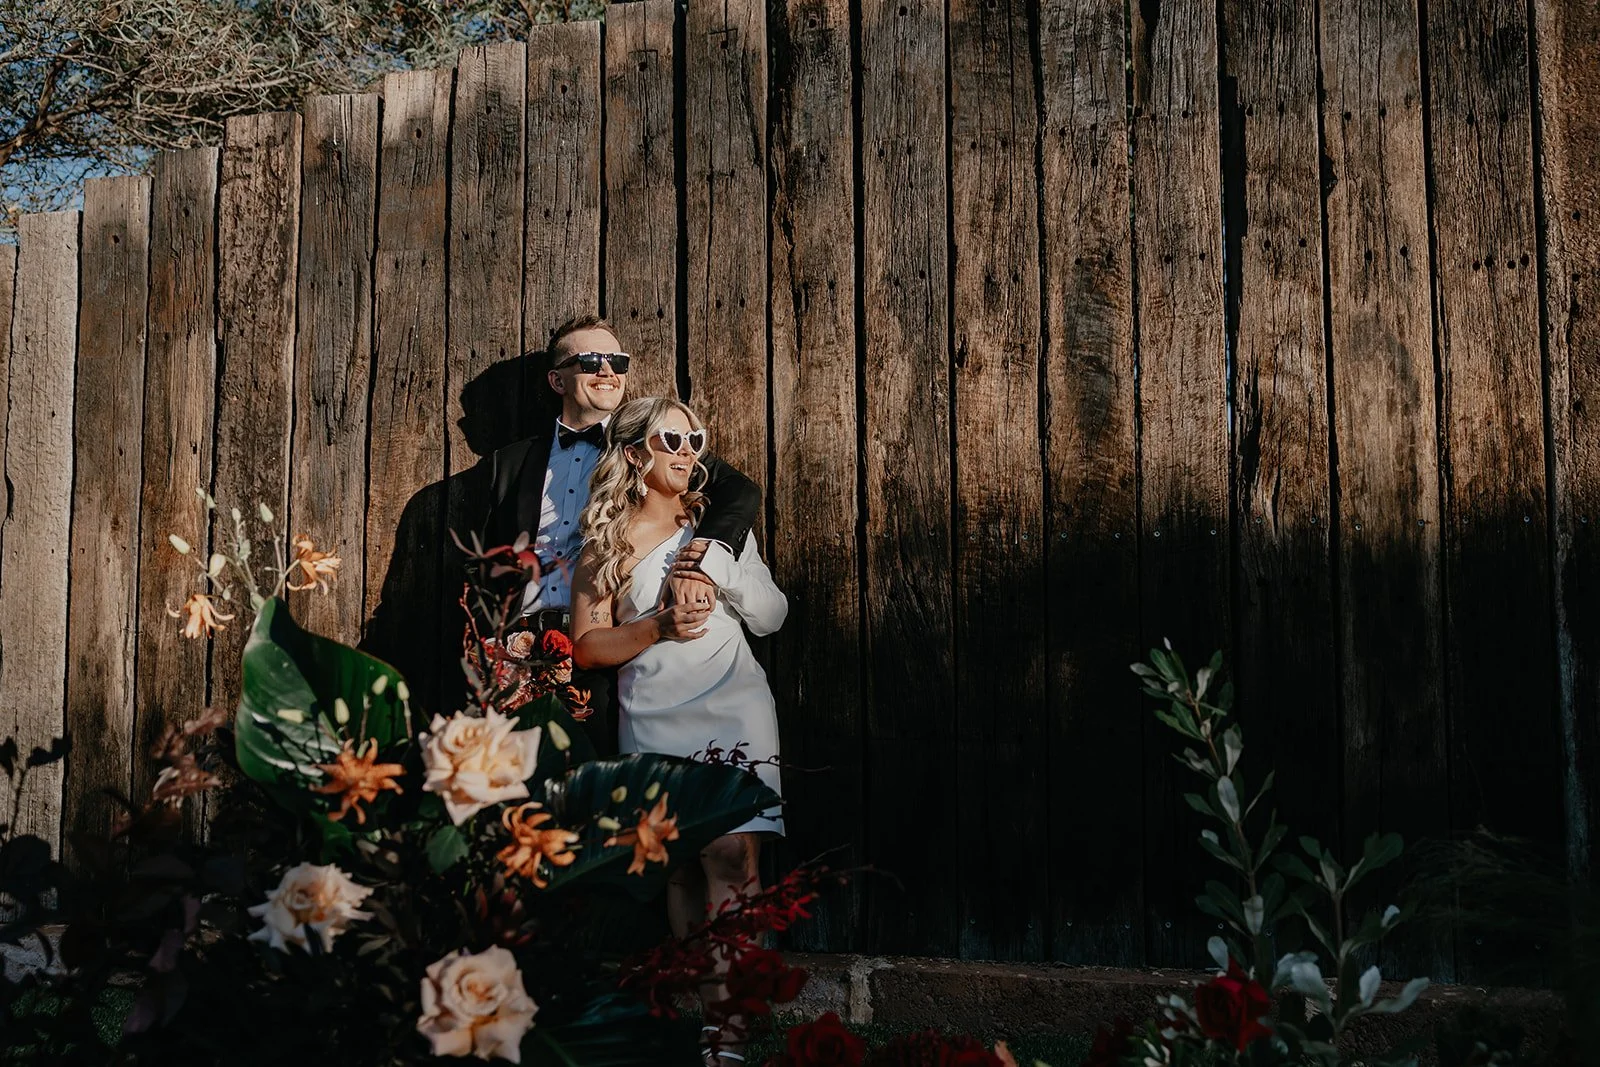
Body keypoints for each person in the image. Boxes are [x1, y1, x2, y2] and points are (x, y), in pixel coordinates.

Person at [570, 397, 786, 1065]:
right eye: (672, 438)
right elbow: (587, 646)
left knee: (734, 855)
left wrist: (716, 570)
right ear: (635, 453)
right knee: (683, 868)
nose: (690, 449)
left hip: (735, 700)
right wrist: (659, 624)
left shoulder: (718, 525)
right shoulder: (605, 539)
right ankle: (706, 1004)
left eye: (696, 437)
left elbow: (773, 615)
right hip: (656, 708)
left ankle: (728, 1036)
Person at [480, 315, 761, 755]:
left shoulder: (659, 447)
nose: (607, 370)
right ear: (557, 380)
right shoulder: (507, 464)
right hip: (519, 652)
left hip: (610, 655)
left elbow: (740, 490)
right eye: (590, 360)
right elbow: (485, 562)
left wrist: (708, 554)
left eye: (617, 360)